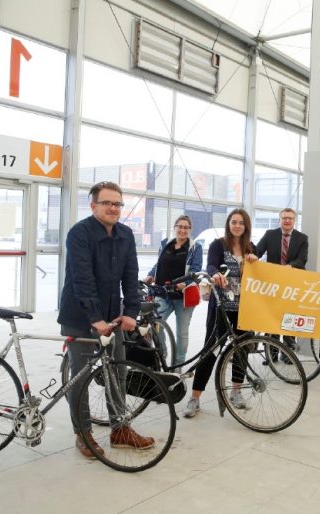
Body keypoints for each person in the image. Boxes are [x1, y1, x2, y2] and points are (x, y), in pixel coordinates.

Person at [57, 181, 154, 459]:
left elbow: (130, 276)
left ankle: (120, 429)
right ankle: (83, 433)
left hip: (112, 316)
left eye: (117, 204)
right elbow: (82, 279)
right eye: (107, 203)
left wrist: (131, 313)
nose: (113, 208)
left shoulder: (125, 235)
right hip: (81, 317)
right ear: (93, 206)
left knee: (117, 373)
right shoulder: (79, 233)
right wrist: (96, 319)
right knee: (81, 377)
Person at [182, 208, 256, 418]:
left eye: (241, 222)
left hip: (245, 309)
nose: (237, 226)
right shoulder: (218, 244)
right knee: (210, 351)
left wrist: (255, 261)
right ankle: (195, 397)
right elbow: (211, 265)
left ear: (246, 226)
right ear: (228, 224)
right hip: (221, 308)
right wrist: (215, 275)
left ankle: (236, 392)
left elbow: (259, 274)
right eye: (234, 222)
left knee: (241, 350)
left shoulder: (251, 247)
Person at [246, 207, 309, 362]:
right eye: (284, 218)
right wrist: (253, 255)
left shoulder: (302, 238)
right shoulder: (270, 235)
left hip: (291, 284)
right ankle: (271, 354)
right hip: (272, 285)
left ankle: (287, 354)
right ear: (279, 220)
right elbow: (258, 251)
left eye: (290, 218)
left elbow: (302, 260)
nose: (287, 220)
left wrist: (290, 267)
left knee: (289, 318)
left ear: (294, 221)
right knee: (272, 318)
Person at [144, 215, 203, 366]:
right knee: (155, 325)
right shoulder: (165, 244)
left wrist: (185, 283)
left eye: (186, 227)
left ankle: (178, 365)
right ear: (175, 227)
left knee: (181, 333)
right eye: (180, 226)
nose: (182, 230)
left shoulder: (195, 247)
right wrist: (151, 275)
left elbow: (195, 271)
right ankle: (162, 355)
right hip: (162, 293)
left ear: (190, 230)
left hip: (183, 296)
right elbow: (159, 264)